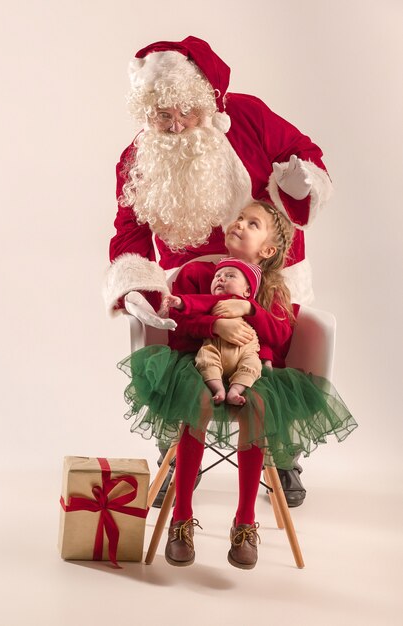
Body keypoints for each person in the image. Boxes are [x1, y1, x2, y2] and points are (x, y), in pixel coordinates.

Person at [105, 35, 335, 507]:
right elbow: (128, 232)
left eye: (184, 112)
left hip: (269, 272)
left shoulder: (247, 117)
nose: (175, 125)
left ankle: (282, 456)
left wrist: (299, 180)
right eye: (161, 115)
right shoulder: (137, 160)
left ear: (205, 101)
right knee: (184, 362)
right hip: (190, 284)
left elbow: (304, 155)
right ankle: (173, 448)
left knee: (273, 357)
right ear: (146, 113)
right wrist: (138, 285)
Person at [117, 201, 357, 569]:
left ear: (268, 249)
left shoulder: (274, 289)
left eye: (253, 223)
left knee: (257, 408)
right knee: (195, 404)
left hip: (255, 371)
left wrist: (250, 311)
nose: (240, 224)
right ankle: (181, 519)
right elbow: (176, 325)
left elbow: (283, 333)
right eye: (239, 218)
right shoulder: (196, 272)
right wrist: (214, 325)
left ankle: (245, 522)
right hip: (197, 365)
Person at [161, 257, 267, 406]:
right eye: (217, 276)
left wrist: (268, 356)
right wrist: (181, 302)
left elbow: (268, 327)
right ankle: (218, 389)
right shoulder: (215, 300)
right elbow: (197, 302)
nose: (221, 278)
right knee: (206, 358)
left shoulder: (251, 306)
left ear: (247, 291)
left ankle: (235, 390)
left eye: (230, 276)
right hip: (216, 346)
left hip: (244, 350)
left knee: (253, 364)